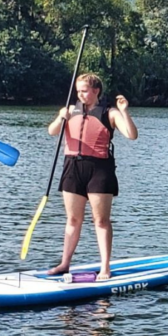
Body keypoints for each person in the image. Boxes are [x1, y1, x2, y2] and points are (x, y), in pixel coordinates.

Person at [45, 74, 137, 281]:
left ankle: (105, 267)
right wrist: (61, 117)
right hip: (72, 167)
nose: (80, 94)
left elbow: (132, 135)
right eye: (78, 91)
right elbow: (52, 132)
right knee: (73, 219)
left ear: (96, 91)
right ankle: (64, 263)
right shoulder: (70, 111)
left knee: (101, 220)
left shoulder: (110, 112)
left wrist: (124, 112)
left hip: (99, 169)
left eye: (84, 90)